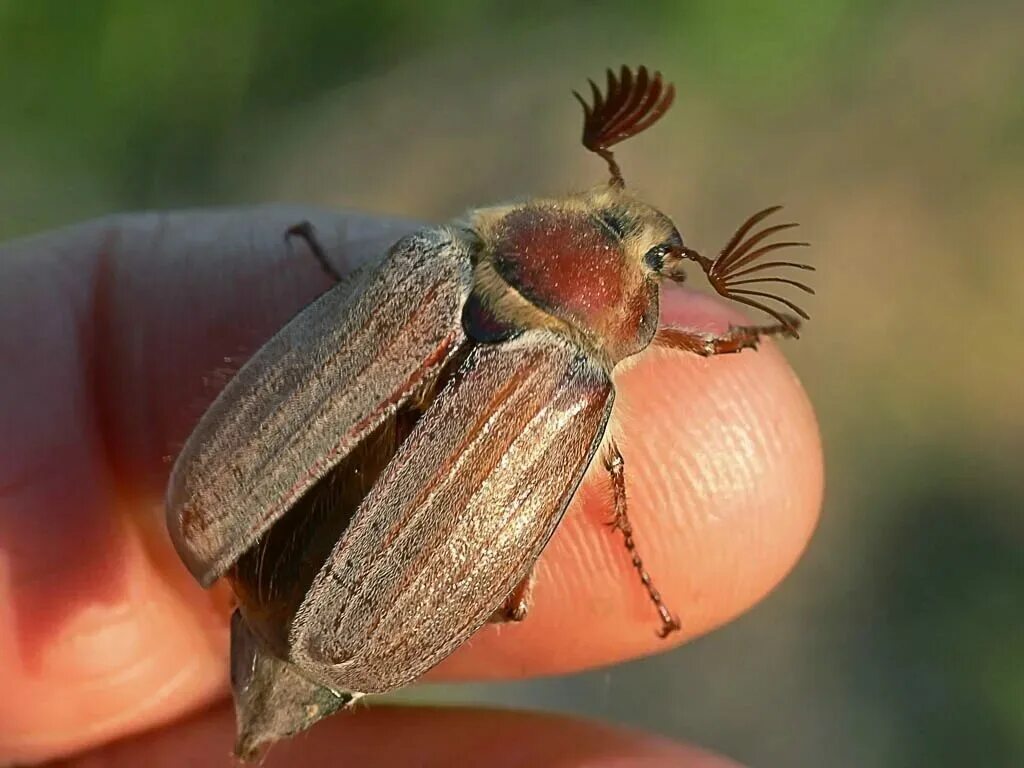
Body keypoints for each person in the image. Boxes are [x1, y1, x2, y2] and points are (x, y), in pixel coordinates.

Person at [0, 208, 823, 767]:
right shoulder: (575, 386)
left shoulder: (433, 263)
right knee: (522, 594)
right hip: (341, 591)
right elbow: (703, 354)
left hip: (312, 571)